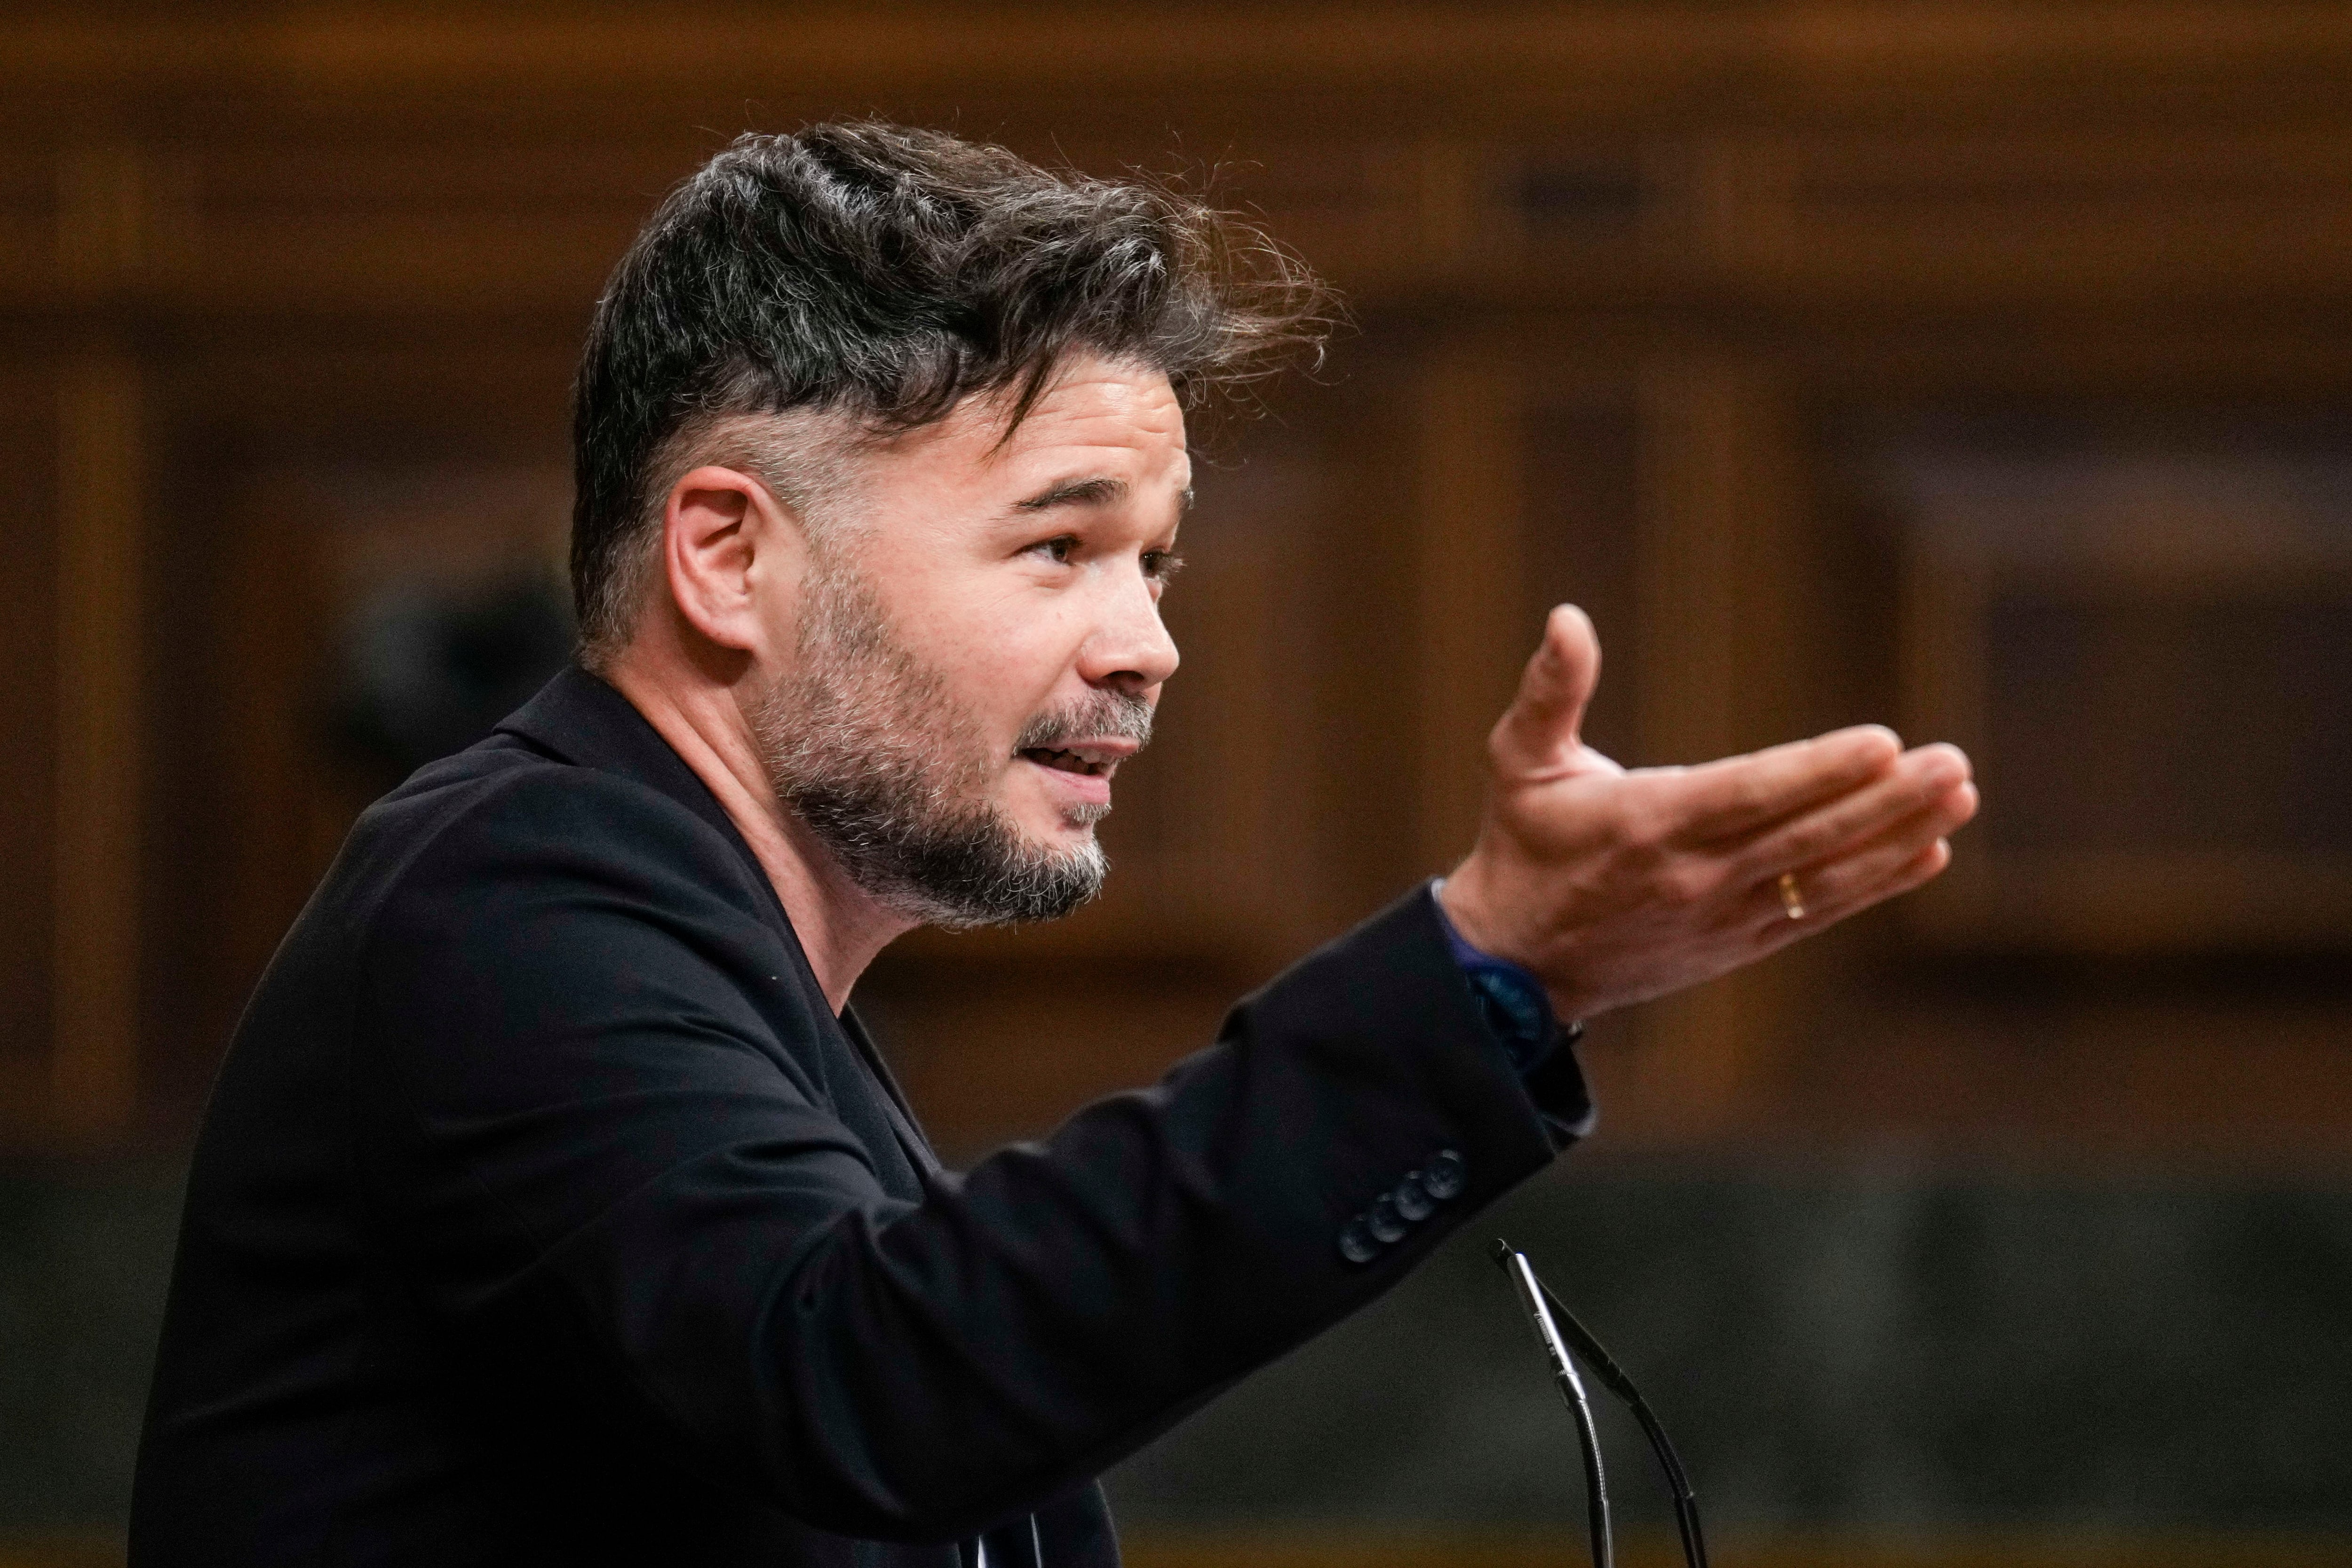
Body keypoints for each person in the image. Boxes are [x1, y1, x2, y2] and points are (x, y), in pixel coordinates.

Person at [129, 123, 1977, 1566]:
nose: (1145, 640)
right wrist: (1481, 970)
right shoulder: (510, 901)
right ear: (726, 556)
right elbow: (875, 1378)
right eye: (1057, 546)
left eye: (1152, 561)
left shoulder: (735, 972)